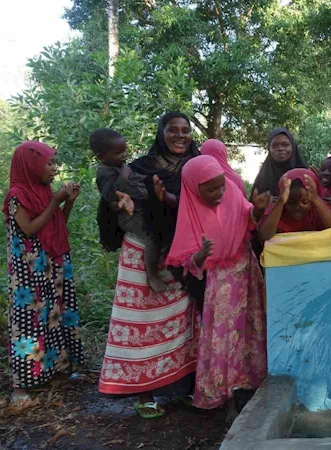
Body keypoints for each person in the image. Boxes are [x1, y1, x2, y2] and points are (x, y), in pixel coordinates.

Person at [98, 112, 200, 419]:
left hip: (180, 253)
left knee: (181, 323)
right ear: (161, 132)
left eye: (186, 130)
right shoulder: (141, 166)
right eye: (173, 130)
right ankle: (144, 393)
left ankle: (180, 389)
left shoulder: (197, 165)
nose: (180, 136)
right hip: (142, 250)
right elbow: (112, 199)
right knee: (141, 322)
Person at [165, 155, 269, 419]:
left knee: (250, 328)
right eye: (211, 189)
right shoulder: (189, 212)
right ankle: (225, 395)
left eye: (221, 186)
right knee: (223, 335)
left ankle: (250, 383)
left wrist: (256, 209)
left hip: (246, 270)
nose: (219, 192)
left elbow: (248, 217)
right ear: (193, 188)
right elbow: (187, 259)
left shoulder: (232, 190)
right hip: (219, 282)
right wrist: (201, 255)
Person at [5, 141, 83, 405]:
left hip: (51, 262)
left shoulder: (43, 191)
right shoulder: (17, 194)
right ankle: (21, 385)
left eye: (54, 163)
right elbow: (29, 229)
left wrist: (67, 203)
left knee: (55, 315)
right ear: (31, 164)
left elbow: (56, 224)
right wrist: (56, 201)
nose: (53, 168)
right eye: (48, 163)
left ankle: (55, 371)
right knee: (29, 321)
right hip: (29, 271)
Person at [92, 128, 167, 293]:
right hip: (129, 216)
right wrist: (124, 177)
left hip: (140, 209)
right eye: (118, 153)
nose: (124, 155)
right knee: (152, 237)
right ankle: (152, 276)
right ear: (102, 157)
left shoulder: (120, 165)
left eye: (125, 150)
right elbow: (110, 196)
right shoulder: (105, 172)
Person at [259, 169, 331, 241]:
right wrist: (280, 202)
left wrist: (316, 199)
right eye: (291, 202)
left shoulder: (318, 207)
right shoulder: (277, 209)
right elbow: (265, 235)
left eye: (305, 202)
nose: (298, 207)